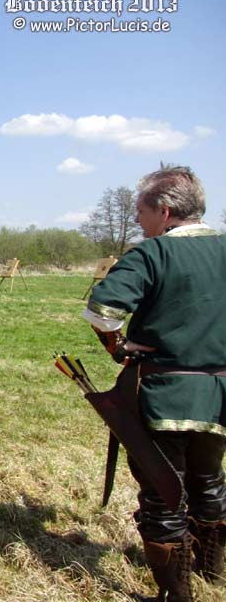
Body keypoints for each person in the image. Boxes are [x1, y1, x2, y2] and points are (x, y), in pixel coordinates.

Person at [83, 165, 226, 601]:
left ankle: (176, 596)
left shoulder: (152, 253)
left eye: (141, 212)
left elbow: (101, 311)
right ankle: (210, 573)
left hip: (166, 395)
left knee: (164, 496)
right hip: (219, 397)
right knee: (209, 482)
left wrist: (119, 347)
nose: (138, 221)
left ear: (164, 212)